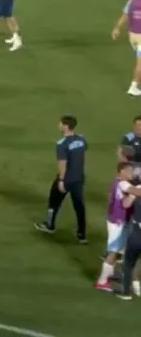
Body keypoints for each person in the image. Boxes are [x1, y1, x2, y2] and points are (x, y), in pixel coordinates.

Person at [35, 114, 87, 242]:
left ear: (66, 126)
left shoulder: (61, 144)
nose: (58, 125)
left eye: (60, 123)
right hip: (78, 179)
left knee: (54, 202)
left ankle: (49, 225)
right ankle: (82, 234)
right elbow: (83, 149)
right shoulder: (82, 140)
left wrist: (62, 180)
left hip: (67, 179)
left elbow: (62, 163)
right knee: (79, 206)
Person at [96, 162, 135, 291]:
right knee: (114, 251)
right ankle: (102, 281)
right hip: (118, 222)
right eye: (129, 171)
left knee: (118, 251)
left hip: (115, 220)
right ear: (122, 171)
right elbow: (128, 202)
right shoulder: (123, 184)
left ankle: (110, 273)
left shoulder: (115, 182)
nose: (132, 173)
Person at [111, 0, 141, 96]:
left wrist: (117, 28)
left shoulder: (132, 0)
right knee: (140, 63)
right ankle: (134, 87)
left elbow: (125, 15)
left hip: (132, 36)